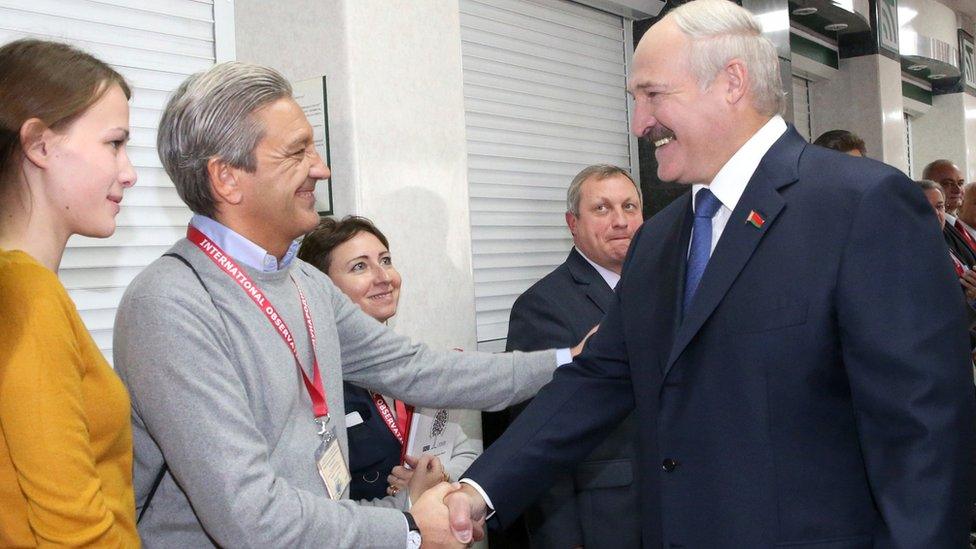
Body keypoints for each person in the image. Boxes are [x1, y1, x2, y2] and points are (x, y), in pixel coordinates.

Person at [444, 1, 975, 547]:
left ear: (732, 82)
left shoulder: (861, 206)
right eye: (635, 100)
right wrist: (480, 490)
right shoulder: (660, 238)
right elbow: (601, 377)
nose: (639, 122)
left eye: (652, 95)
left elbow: (923, 431)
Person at [112, 61, 574, 548]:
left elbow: (417, 369)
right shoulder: (169, 305)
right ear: (227, 178)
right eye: (297, 152)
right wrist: (411, 530)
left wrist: (567, 361)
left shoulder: (306, 281)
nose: (321, 168)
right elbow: (252, 518)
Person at [0, 39, 138, 546]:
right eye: (114, 143)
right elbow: (73, 530)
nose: (129, 172)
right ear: (39, 145)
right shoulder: (27, 296)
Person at [504, 164, 643, 548]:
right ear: (572, 222)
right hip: (601, 522)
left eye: (630, 207)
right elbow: (539, 438)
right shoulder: (542, 307)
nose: (620, 221)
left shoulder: (665, 289)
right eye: (602, 209)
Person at [297, 215, 480, 502]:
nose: (384, 278)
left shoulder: (410, 361)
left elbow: (466, 452)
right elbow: (318, 512)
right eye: (360, 266)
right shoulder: (312, 385)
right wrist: (410, 500)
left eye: (385, 260)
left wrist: (441, 480)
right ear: (323, 289)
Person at [925, 160, 976, 268]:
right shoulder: (934, 229)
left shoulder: (960, 226)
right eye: (947, 183)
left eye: (960, 183)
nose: (957, 189)